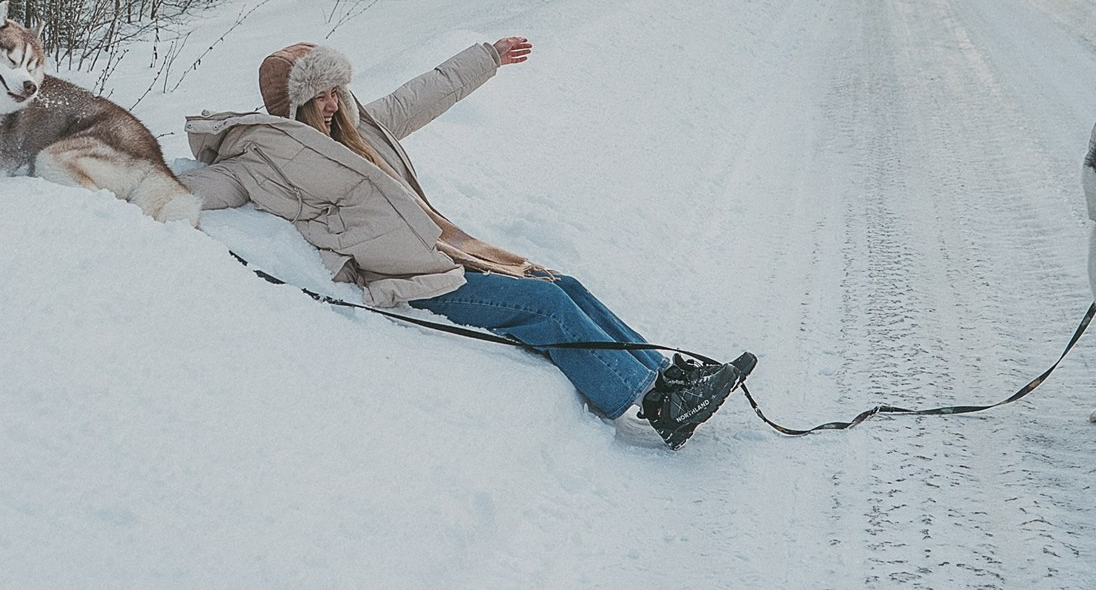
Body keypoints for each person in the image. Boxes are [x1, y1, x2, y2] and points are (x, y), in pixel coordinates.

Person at [181, 37, 754, 448]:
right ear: (290, 103)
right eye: (319, 96)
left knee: (560, 283)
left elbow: (420, 96)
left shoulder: (357, 128)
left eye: (335, 89)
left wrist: (487, 59)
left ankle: (664, 376)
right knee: (545, 307)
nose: (332, 104)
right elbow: (208, 186)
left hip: (440, 252)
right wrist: (117, 180)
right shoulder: (262, 157)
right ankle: (657, 405)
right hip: (404, 280)